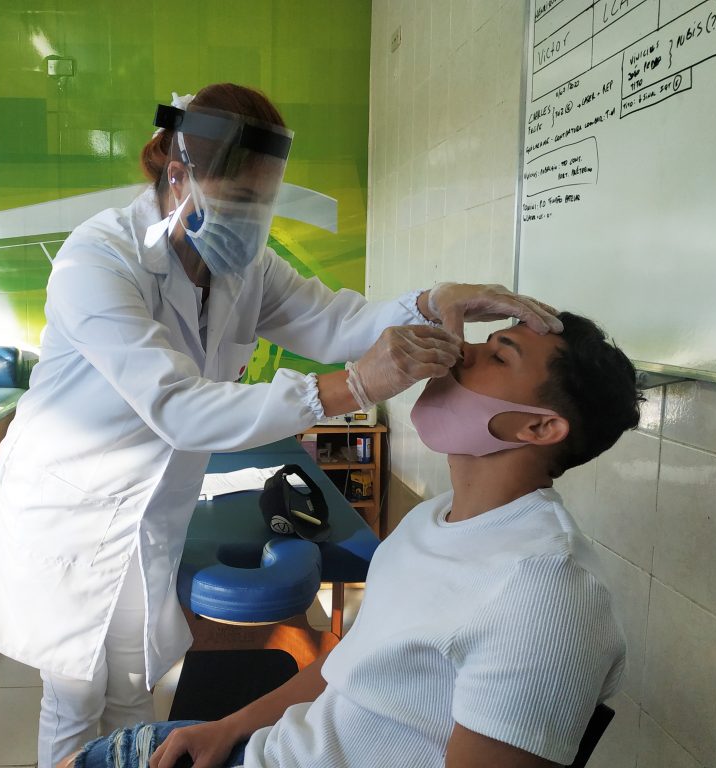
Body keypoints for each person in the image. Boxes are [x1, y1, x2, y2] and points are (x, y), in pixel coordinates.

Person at [0, 82, 562, 768]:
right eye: (240, 202)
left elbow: (339, 320)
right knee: (74, 695)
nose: (253, 222)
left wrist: (430, 300)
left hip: (148, 513)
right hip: (73, 509)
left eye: (263, 202)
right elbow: (178, 408)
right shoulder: (97, 260)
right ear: (177, 173)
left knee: (131, 688)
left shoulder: (241, 268)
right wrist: (353, 386)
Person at [62, 311, 643, 768]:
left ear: (539, 427)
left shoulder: (545, 593)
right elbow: (348, 665)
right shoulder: (432, 520)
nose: (461, 351)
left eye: (497, 355)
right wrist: (229, 728)